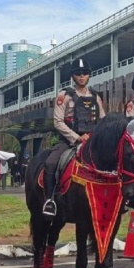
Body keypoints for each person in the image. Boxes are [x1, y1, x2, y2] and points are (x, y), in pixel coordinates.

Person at [43, 58, 105, 217]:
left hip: (93, 142)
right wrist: (77, 137)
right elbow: (57, 122)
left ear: (89, 75)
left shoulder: (96, 97)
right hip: (70, 141)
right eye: (78, 73)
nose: (82, 76)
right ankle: (49, 201)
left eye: (85, 73)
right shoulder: (64, 95)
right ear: (73, 76)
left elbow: (102, 121)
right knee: (50, 162)